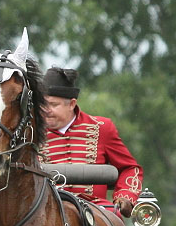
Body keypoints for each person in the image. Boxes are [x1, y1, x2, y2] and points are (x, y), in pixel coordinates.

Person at [41, 67, 142, 217]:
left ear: (71, 104)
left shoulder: (102, 128)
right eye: (43, 104)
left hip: (95, 208)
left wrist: (125, 196)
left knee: (113, 219)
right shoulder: (29, 132)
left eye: (54, 105)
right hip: (46, 209)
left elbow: (130, 168)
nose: (46, 110)